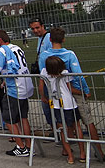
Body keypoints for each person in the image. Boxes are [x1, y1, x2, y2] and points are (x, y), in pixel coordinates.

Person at [38, 27, 103, 158]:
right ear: (63, 39)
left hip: (56, 94)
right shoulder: (69, 54)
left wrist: (45, 94)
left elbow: (43, 76)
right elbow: (78, 74)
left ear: (50, 39)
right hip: (73, 90)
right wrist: (85, 91)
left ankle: (66, 150)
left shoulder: (44, 55)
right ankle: (98, 150)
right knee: (86, 120)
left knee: (63, 121)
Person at [0, 30, 34, 156]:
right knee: (23, 118)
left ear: (0, 40)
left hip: (15, 89)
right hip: (25, 86)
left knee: (8, 119)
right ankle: (29, 146)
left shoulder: (2, 50)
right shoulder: (17, 47)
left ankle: (21, 147)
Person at [39, 56, 85, 164]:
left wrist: (43, 97)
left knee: (62, 129)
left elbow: (41, 87)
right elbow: (69, 88)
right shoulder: (64, 72)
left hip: (56, 104)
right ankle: (82, 153)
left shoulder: (44, 72)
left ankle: (69, 155)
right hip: (69, 103)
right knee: (76, 126)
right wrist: (81, 92)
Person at [29, 18, 54, 133]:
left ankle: (59, 130)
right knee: (46, 106)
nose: (35, 30)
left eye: (37, 27)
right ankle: (55, 129)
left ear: (43, 26)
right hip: (43, 76)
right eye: (33, 28)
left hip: (49, 77)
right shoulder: (40, 39)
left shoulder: (48, 38)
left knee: (50, 105)